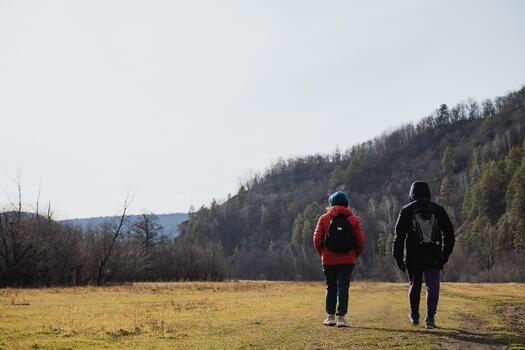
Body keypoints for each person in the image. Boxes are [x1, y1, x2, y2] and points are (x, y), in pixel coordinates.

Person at [393, 181, 455, 329]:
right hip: (434, 255)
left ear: (411, 194)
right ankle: (430, 318)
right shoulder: (438, 210)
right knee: (433, 286)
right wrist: (444, 255)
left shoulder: (406, 210)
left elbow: (399, 237)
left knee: (415, 285)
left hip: (414, 256)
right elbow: (449, 234)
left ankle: (414, 315)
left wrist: (398, 258)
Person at [313, 191, 365, 327]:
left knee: (331, 287)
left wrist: (323, 254)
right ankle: (341, 318)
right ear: (346, 204)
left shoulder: (324, 218)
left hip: (328, 259)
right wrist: (353, 254)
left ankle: (330, 317)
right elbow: (360, 241)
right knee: (343, 287)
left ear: (331, 204)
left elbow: (317, 239)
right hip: (348, 259)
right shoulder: (354, 219)